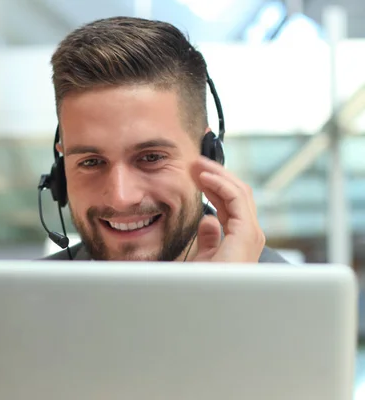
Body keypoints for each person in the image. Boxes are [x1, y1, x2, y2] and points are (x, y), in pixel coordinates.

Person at [39, 16, 287, 263]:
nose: (121, 198)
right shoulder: (17, 299)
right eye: (91, 162)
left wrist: (231, 299)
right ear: (62, 173)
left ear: (208, 155)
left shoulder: (296, 300)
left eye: (151, 157)